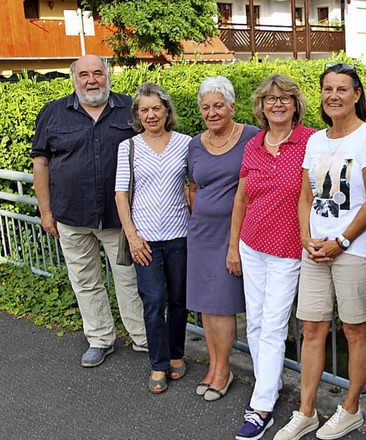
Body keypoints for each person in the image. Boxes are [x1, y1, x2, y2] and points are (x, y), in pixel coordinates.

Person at [275, 63, 366, 440]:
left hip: (353, 250)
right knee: (311, 329)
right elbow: (306, 194)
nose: (334, 96)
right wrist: (306, 237)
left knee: (355, 330)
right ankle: (306, 411)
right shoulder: (316, 140)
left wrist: (341, 241)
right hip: (315, 249)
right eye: (328, 89)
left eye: (342, 89)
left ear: (356, 94)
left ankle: (351, 408)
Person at [31, 55, 146, 368]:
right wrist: (45, 211)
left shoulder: (130, 108)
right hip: (71, 215)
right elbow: (40, 163)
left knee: (129, 278)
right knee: (84, 281)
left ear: (108, 75)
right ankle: (100, 339)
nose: (91, 80)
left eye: (98, 73)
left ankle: (142, 337)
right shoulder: (53, 113)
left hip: (119, 217)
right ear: (74, 79)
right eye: (84, 74)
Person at [230, 74, 316, 440]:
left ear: (296, 105)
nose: (277, 104)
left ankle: (261, 405)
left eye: (285, 98)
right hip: (252, 245)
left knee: (274, 326)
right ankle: (270, 381)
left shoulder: (311, 141)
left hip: (287, 250)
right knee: (254, 324)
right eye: (270, 99)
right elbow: (242, 199)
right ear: (261, 107)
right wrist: (233, 245)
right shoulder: (254, 144)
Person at [186, 76, 260, 401]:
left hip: (233, 235)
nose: (212, 112)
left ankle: (225, 369)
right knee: (205, 303)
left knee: (223, 304)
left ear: (231, 106)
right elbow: (193, 185)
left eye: (218, 105)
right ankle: (214, 366)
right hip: (201, 233)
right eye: (206, 107)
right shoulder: (194, 143)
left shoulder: (252, 137)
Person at [114, 82, 191, 393]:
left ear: (166, 110)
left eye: (156, 108)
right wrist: (132, 236)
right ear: (137, 114)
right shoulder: (128, 147)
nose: (150, 114)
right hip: (144, 239)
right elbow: (121, 194)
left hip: (180, 235)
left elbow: (194, 185)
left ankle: (176, 355)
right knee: (153, 300)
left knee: (179, 300)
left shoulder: (186, 143)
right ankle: (158, 363)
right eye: (144, 110)